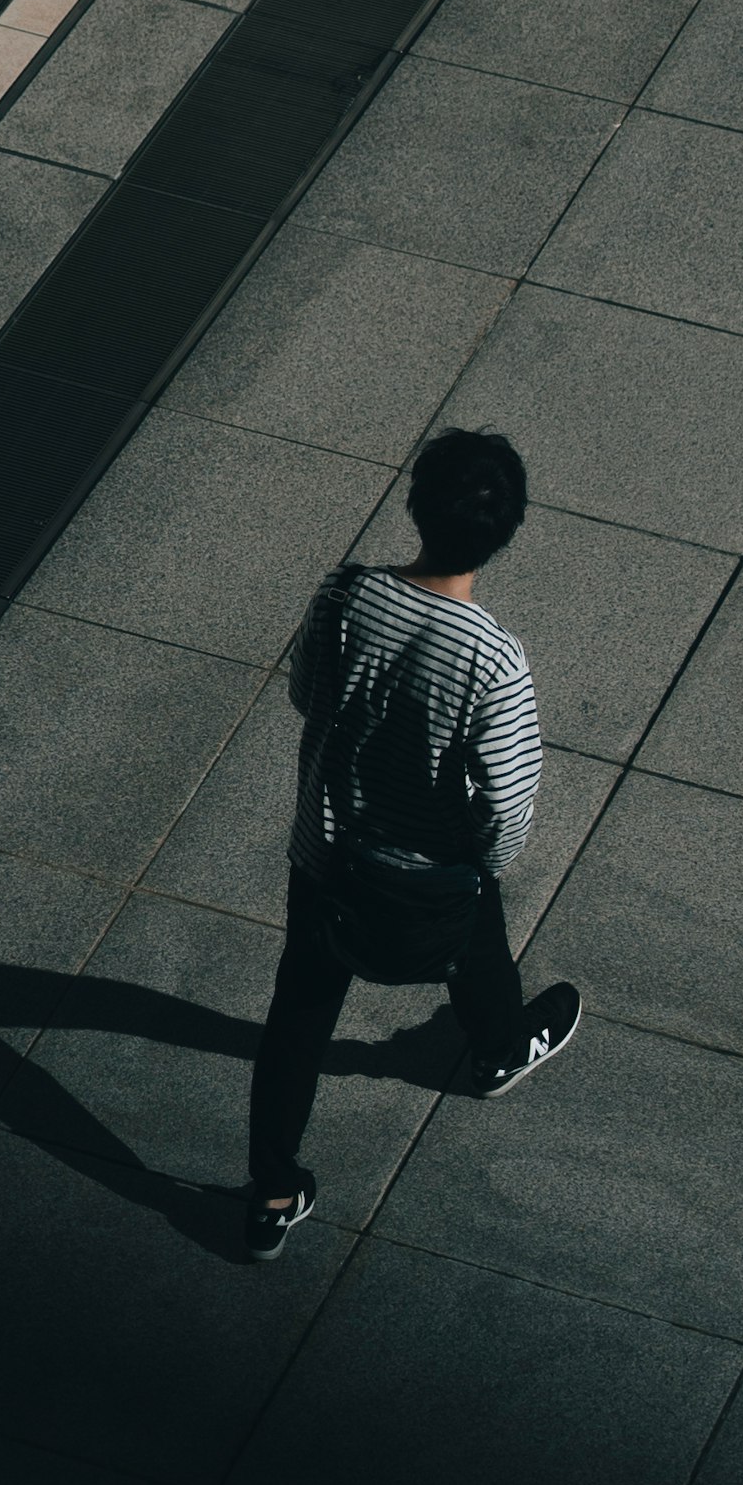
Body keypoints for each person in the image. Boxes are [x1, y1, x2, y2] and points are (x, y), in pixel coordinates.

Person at [243, 425, 579, 1258]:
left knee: (299, 1016)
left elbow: (304, 694)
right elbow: (505, 801)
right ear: (506, 533)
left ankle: (273, 1192)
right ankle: (499, 1049)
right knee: (478, 943)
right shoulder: (492, 661)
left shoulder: (344, 593)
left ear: (417, 506)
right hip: (428, 874)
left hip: (324, 853)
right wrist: (483, 867)